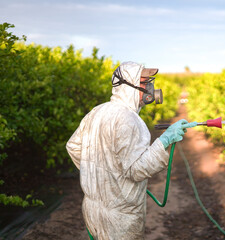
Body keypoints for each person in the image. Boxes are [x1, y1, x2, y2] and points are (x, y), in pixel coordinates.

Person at [66, 61, 197, 240]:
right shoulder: (129, 119)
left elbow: (73, 146)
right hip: (121, 217)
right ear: (127, 86)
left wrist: (100, 175)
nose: (150, 87)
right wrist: (165, 140)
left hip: (93, 211)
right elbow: (137, 170)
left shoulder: (97, 111)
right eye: (143, 82)